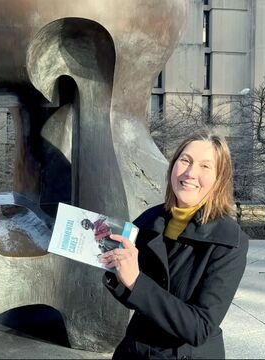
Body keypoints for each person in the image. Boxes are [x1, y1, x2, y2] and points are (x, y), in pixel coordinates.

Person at [101, 131, 249, 359]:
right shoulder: (150, 219)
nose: (191, 173)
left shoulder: (229, 240)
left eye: (205, 166)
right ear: (172, 167)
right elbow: (135, 297)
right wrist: (115, 268)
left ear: (220, 179)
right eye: (185, 161)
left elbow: (200, 328)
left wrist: (135, 281)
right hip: (136, 349)